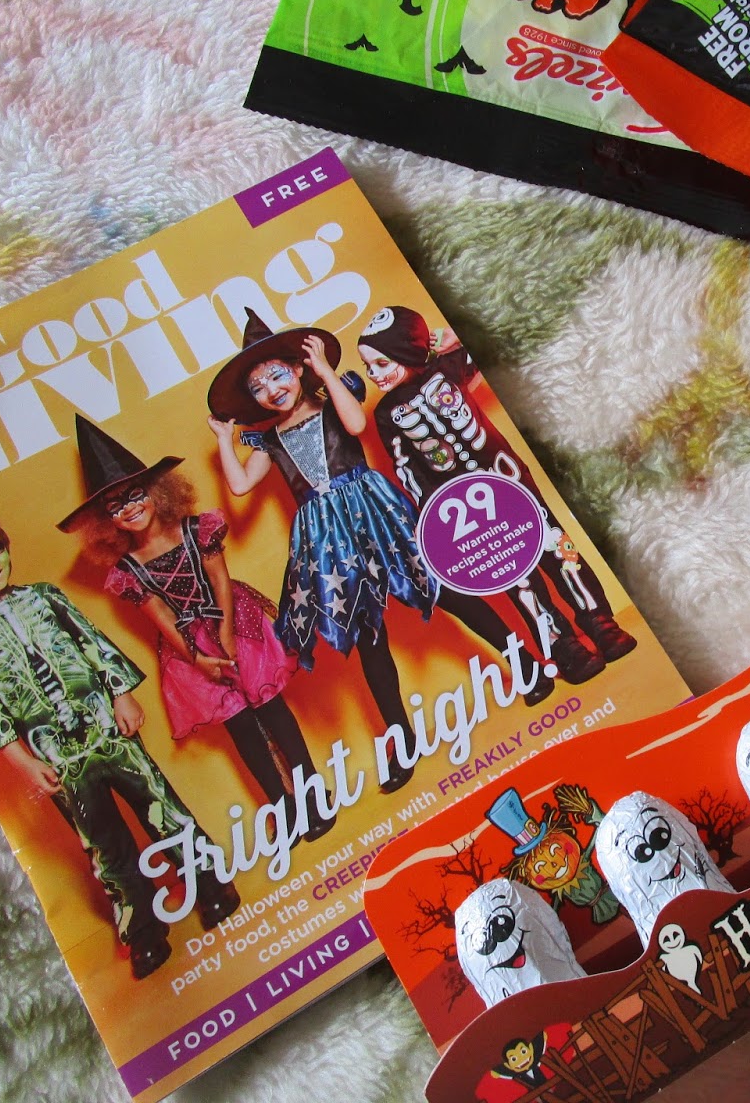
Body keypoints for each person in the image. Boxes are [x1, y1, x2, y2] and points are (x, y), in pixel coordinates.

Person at [205, 311, 548, 793]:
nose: (271, 390)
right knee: (369, 638)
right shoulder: (269, 440)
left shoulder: (334, 396)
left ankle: (526, 664)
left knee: (444, 592)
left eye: (278, 374)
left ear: (299, 368)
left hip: (374, 512)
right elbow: (240, 485)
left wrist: (325, 372)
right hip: (328, 538)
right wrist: (225, 441)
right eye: (258, 387)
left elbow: (354, 421)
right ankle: (401, 740)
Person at [0, 515, 238, 980]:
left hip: (105, 728)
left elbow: (91, 642)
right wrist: (24, 763)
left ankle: (209, 882)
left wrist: (121, 693)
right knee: (103, 844)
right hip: (56, 756)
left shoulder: (45, 597)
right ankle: (142, 927)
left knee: (160, 805)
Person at [58, 416, 334, 843]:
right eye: (115, 506)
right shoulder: (128, 569)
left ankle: (313, 794)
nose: (129, 508)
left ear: (156, 492)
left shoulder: (195, 529)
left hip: (235, 624)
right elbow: (161, 618)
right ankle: (286, 809)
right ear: (106, 521)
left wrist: (225, 634)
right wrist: (198, 659)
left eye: (134, 495)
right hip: (189, 647)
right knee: (242, 728)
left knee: (273, 711)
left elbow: (220, 580)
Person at [356, 305, 637, 681]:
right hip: (467, 513)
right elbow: (405, 468)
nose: (374, 375)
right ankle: (562, 645)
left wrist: (446, 338)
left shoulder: (447, 368)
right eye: (368, 368)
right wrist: (434, 511)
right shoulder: (387, 412)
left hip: (510, 482)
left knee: (558, 549)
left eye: (381, 363)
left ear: (405, 351)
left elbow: (490, 344)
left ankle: (599, 621)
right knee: (514, 576)